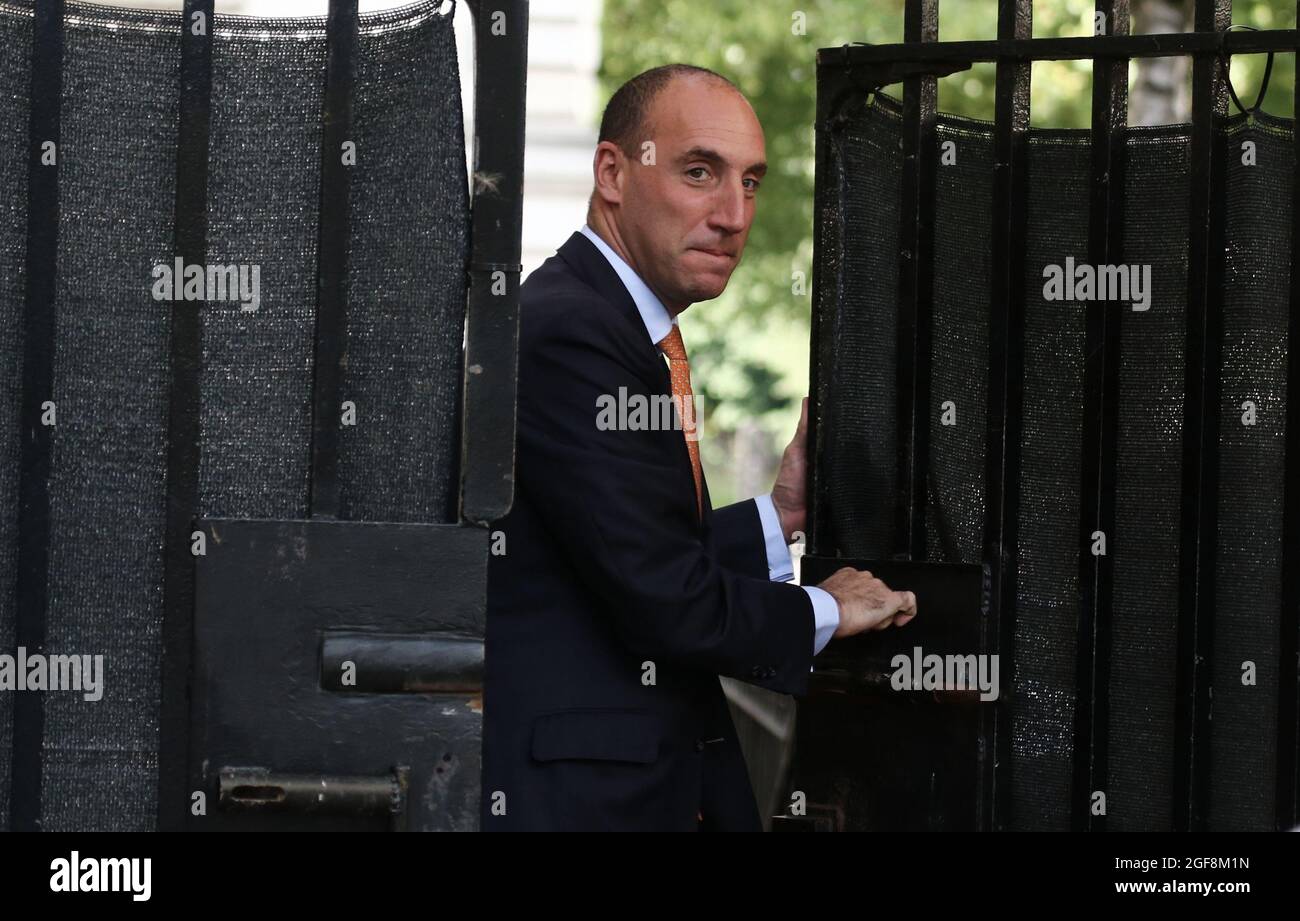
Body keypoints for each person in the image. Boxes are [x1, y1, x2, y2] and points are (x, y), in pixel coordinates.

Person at [481, 63, 917, 831]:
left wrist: (776, 517)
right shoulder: (573, 330)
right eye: (699, 172)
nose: (733, 214)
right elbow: (661, 595)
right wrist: (823, 608)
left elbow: (618, 552)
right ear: (613, 173)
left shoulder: (609, 322)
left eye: (749, 182)